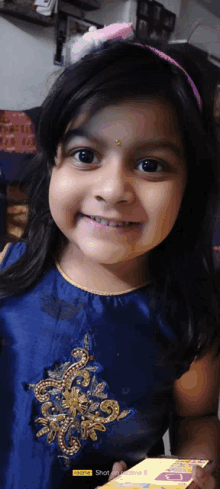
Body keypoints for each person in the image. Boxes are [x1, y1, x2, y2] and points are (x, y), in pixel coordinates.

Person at [0, 22, 220, 489]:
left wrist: (178, 475)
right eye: (85, 155)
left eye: (150, 165)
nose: (112, 190)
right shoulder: (6, 268)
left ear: (190, 187)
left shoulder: (188, 319)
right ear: (52, 162)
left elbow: (197, 422)